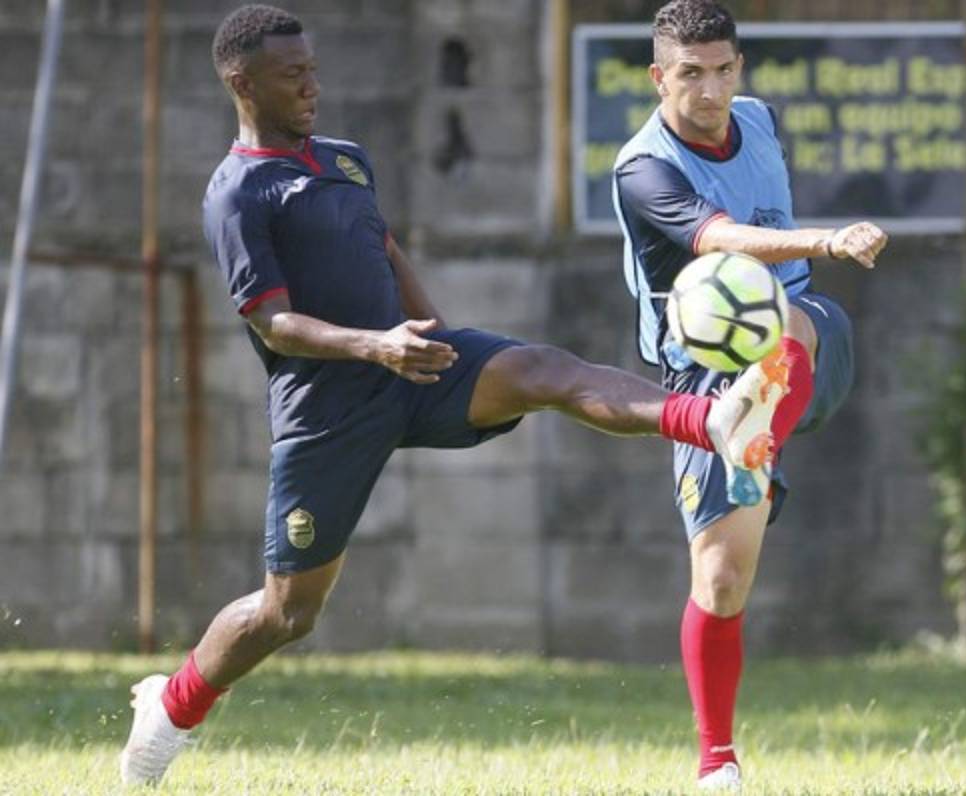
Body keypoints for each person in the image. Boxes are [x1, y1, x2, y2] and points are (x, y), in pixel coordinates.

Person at [118, 4, 790, 786]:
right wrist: (377, 345)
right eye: (291, 74)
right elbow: (274, 324)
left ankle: (710, 420)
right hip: (328, 413)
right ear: (241, 81)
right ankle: (171, 705)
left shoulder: (344, 160)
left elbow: (383, 246)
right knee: (288, 614)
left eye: (313, 68)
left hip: (417, 366)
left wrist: (435, 328)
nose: (312, 85)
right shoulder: (237, 193)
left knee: (542, 370)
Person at [612, 1, 888, 789]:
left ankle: (756, 417)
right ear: (659, 77)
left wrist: (806, 265)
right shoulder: (644, 167)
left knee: (788, 317)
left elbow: (764, 263)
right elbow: (721, 236)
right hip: (701, 371)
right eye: (690, 74)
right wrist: (827, 239)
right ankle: (717, 763)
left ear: (740, 68)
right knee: (722, 581)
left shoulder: (758, 120)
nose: (709, 90)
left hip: (806, 333)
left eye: (723, 69)